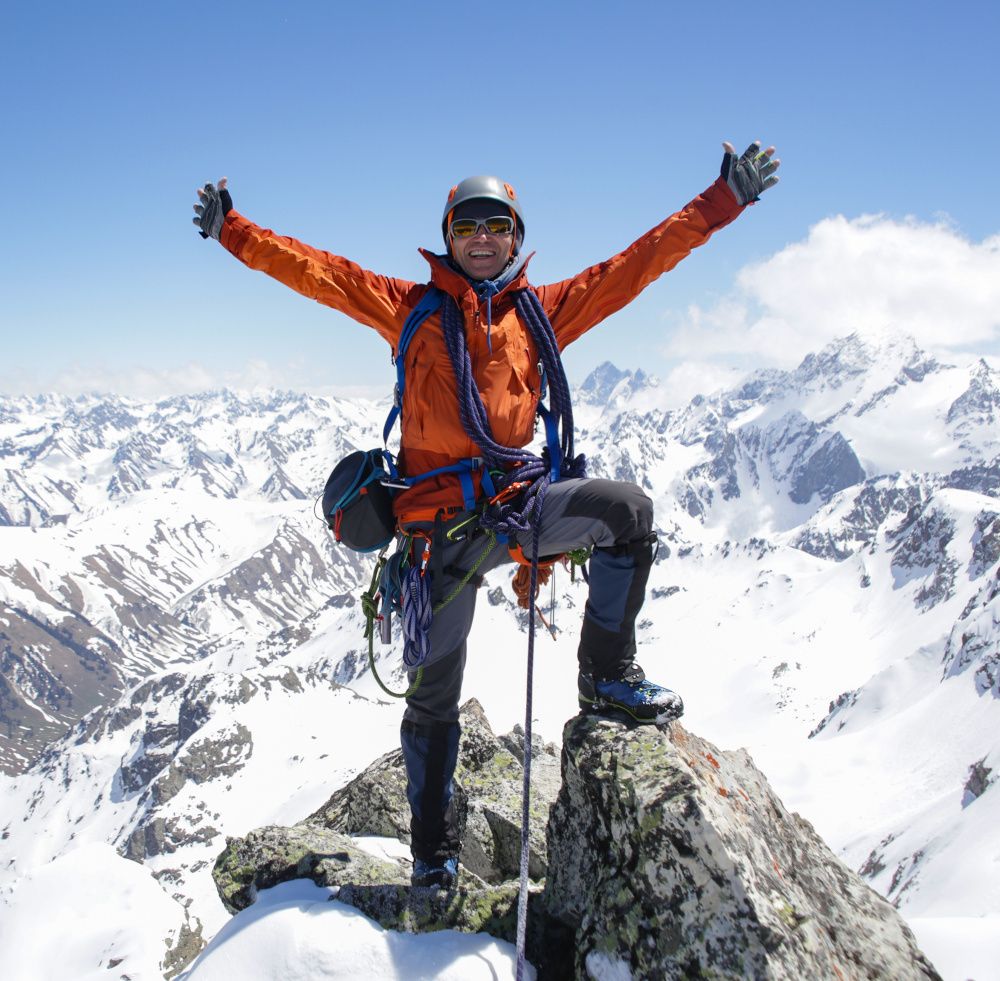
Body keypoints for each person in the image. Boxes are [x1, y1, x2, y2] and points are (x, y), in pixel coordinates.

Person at [192, 142, 780, 888]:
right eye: (466, 226)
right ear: (449, 236)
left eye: (495, 226)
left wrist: (721, 201)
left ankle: (606, 677)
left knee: (626, 512)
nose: (480, 238)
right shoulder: (410, 307)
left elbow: (635, 266)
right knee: (434, 696)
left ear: (514, 236)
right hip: (436, 532)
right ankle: (433, 854)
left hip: (514, 508)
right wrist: (233, 230)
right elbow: (318, 273)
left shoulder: (542, 313)